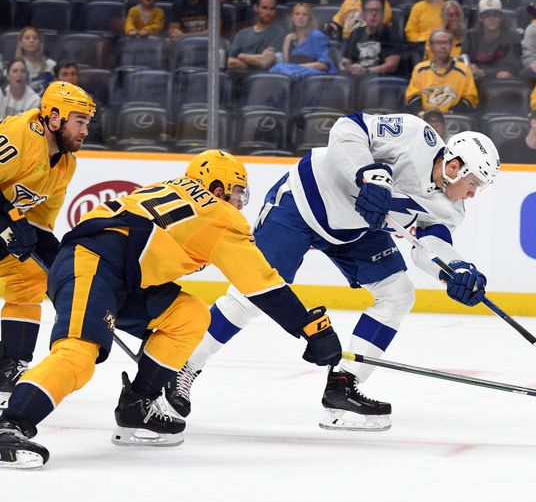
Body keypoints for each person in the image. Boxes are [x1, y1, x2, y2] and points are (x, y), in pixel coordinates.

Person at [0, 149, 343, 468]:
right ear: (218, 187)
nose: (239, 202)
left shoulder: (168, 189)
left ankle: (139, 404)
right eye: (237, 192)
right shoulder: (218, 213)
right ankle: (12, 424)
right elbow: (262, 283)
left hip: (117, 274)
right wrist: (309, 328)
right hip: (93, 267)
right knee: (78, 355)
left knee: (189, 314)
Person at [163, 115, 499, 433]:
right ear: (455, 167)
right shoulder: (415, 134)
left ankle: (343, 386)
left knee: (397, 293)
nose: (472, 194)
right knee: (253, 295)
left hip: (356, 228)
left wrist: (456, 269)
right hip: (303, 201)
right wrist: (371, 175)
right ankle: (181, 366)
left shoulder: (451, 207)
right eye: (473, 184)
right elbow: (347, 127)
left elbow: (430, 245)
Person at [0, 81, 94, 413]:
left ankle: (9, 367)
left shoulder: (65, 164)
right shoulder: (19, 134)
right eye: (78, 121)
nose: (84, 130)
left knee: (31, 278)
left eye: (87, 123)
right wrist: (6, 225)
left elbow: (38, 223)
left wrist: (60, 266)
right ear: (53, 118)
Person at [406, 29, 478, 113]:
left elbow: (470, 99)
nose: (443, 47)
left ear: (451, 45)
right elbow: (412, 97)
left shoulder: (464, 70)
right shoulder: (420, 69)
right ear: (431, 46)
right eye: (438, 43)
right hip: (425, 119)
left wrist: (451, 114)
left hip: (454, 119)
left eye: (446, 43)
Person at [269, 3, 337, 80]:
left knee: (279, 68)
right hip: (294, 75)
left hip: (314, 76)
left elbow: (324, 65)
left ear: (309, 19)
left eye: (304, 15)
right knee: (278, 69)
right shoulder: (289, 38)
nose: (300, 17)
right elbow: (287, 64)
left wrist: (298, 67)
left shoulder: (317, 36)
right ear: (292, 18)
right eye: (297, 14)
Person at [340, 0, 401, 76]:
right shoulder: (356, 33)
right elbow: (345, 60)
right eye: (369, 10)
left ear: (383, 13)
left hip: (380, 82)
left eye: (377, 10)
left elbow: (392, 66)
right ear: (364, 14)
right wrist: (348, 67)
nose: (373, 14)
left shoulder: (391, 34)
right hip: (357, 79)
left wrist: (366, 71)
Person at [461, 0, 520, 82]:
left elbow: (513, 65)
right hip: (476, 80)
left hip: (502, 81)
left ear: (501, 17)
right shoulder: (470, 36)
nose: (491, 18)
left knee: (505, 75)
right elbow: (464, 60)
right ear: (481, 18)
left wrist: (485, 72)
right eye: (487, 15)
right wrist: (470, 67)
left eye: (495, 15)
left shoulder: (512, 35)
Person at [227, 0, 287, 73]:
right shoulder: (242, 34)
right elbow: (230, 62)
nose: (268, 12)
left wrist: (241, 56)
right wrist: (256, 62)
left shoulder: (280, 34)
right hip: (240, 83)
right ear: (256, 8)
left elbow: (265, 62)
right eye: (264, 8)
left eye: (272, 9)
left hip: (266, 82)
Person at [14, 27, 55, 96]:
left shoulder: (51, 65)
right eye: (27, 38)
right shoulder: (14, 68)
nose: (31, 40)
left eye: (35, 38)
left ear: (40, 43)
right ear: (20, 43)